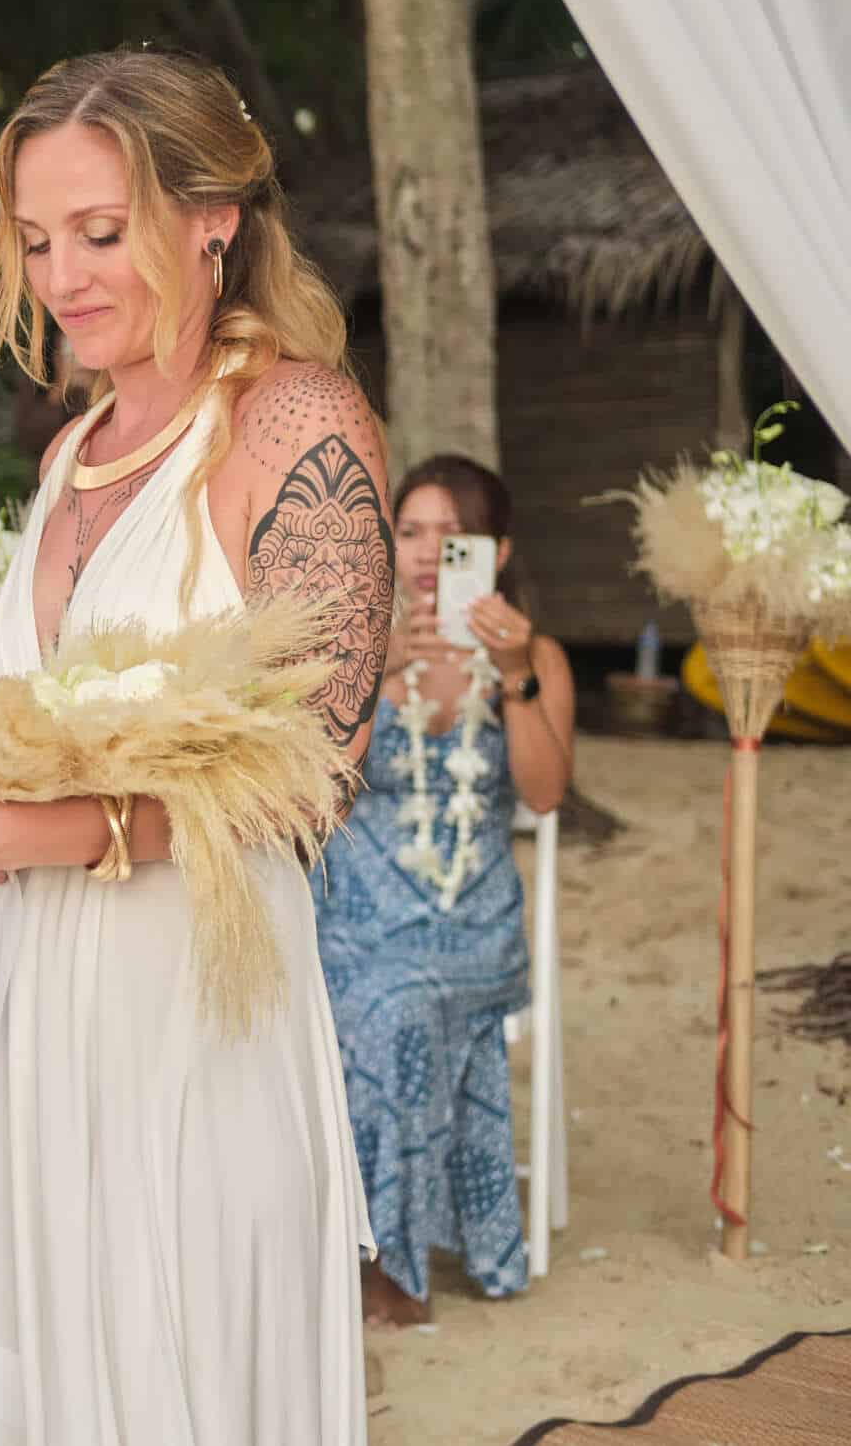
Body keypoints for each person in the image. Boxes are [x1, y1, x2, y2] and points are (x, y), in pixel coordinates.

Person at [0, 47, 390, 1444]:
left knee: (181, 1378)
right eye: (37, 241)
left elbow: (318, 773)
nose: (62, 274)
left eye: (100, 232)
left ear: (212, 216)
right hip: (35, 1014)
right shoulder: (72, 450)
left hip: (197, 1011)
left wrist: (43, 837)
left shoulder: (297, 421)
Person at [317, 454, 575, 1329]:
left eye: (453, 536)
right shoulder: (355, 652)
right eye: (411, 531)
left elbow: (543, 794)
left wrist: (513, 677)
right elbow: (315, 797)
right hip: (354, 922)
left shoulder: (533, 657)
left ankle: (388, 1271)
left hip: (469, 927)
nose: (428, 554)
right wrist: (374, 674)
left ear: (496, 552)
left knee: (398, 1009)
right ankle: (352, 1245)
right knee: (365, 996)